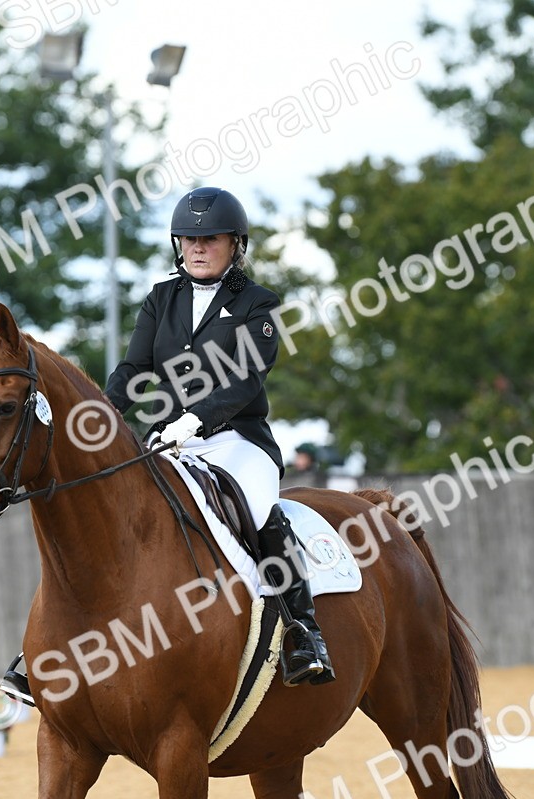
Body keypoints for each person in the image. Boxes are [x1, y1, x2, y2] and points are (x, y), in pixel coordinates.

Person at [102, 186, 335, 688]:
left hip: (237, 439)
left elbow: (247, 377)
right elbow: (132, 368)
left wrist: (194, 420)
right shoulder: (161, 299)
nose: (199, 248)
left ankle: (303, 632)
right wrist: (103, 413)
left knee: (256, 510)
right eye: (189, 239)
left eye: (210, 239)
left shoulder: (258, 303)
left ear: (235, 245)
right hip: (168, 439)